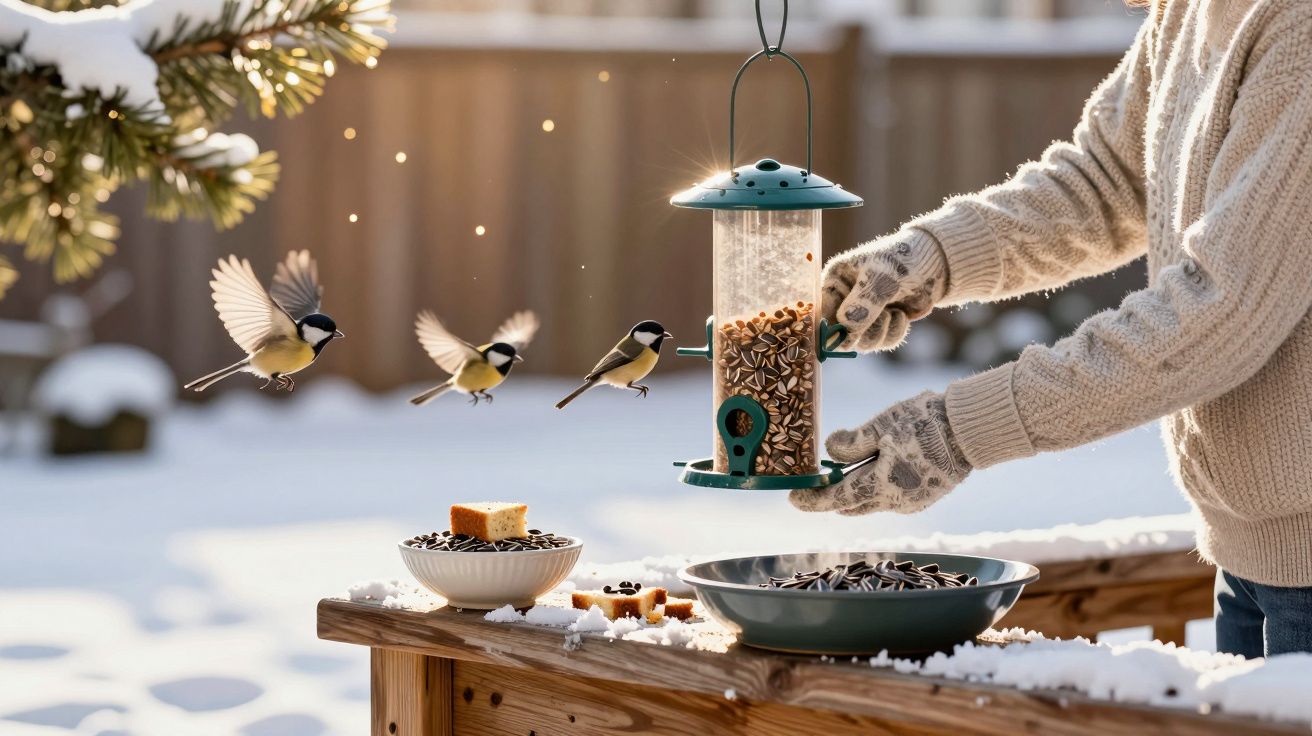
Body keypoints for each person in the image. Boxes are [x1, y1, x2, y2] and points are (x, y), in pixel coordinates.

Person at [789, 0, 1312, 658]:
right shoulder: (1188, 11)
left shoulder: (1300, 32)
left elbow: (1223, 310)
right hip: (1251, 557)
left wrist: (959, 431)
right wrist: (933, 257)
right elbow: (1103, 183)